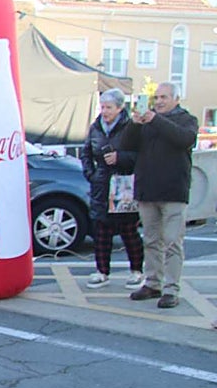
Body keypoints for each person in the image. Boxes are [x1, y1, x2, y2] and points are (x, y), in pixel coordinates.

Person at [122, 82, 199, 308]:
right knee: (152, 241)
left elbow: (184, 139)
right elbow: (127, 145)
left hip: (173, 191)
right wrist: (134, 124)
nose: (159, 101)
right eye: (157, 97)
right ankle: (152, 283)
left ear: (176, 99)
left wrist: (155, 119)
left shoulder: (186, 120)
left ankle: (171, 289)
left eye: (164, 97)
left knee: (173, 242)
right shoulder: (148, 121)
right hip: (148, 190)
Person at [81, 89, 144, 290]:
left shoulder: (131, 127)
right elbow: (86, 154)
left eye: (109, 107)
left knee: (129, 232)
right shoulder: (95, 127)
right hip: (101, 184)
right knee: (101, 231)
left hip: (124, 184)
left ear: (120, 108)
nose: (105, 111)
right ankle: (102, 272)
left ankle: (136, 271)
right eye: (103, 107)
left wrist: (121, 158)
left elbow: (141, 155)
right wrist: (91, 174)